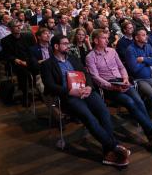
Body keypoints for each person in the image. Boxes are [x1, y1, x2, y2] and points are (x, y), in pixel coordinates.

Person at [41, 35, 130, 166]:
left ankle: (108, 152)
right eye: (65, 43)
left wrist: (88, 86)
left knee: (104, 112)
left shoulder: (73, 58)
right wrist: (71, 91)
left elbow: (86, 74)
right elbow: (50, 85)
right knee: (89, 117)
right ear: (56, 46)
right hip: (69, 96)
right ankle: (114, 146)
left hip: (86, 91)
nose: (68, 46)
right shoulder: (47, 64)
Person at [85, 29, 152, 149]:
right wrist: (112, 86)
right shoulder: (90, 57)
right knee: (130, 102)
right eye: (104, 38)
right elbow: (95, 77)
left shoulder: (112, 51)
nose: (107, 40)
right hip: (109, 87)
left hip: (122, 82)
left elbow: (121, 67)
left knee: (139, 101)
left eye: (107, 38)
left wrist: (124, 79)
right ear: (96, 40)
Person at [0, 19, 36, 106]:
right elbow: (6, 54)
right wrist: (17, 60)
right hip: (17, 62)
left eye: (19, 26)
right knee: (23, 72)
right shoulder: (5, 40)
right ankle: (25, 94)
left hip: (30, 59)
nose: (18, 28)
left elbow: (34, 50)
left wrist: (31, 60)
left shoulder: (28, 36)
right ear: (10, 29)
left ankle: (42, 91)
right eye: (16, 26)